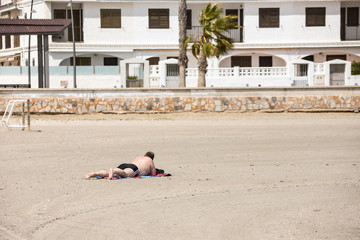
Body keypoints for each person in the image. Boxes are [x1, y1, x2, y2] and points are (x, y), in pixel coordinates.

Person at [84, 151, 156, 180]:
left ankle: (95, 173)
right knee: (125, 174)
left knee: (109, 173)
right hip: (134, 168)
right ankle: (113, 170)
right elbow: (153, 173)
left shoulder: (138, 157)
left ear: (144, 155)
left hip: (126, 164)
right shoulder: (150, 160)